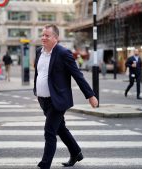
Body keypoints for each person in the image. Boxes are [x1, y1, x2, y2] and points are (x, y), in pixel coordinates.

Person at [33, 24, 98, 169]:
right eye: (42, 35)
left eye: (47, 35)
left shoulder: (63, 53)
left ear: (56, 38)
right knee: (60, 128)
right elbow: (39, 73)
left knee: (49, 131)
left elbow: (77, 75)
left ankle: (44, 165)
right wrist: (37, 90)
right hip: (43, 100)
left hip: (58, 100)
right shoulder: (39, 52)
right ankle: (76, 152)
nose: (43, 38)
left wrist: (90, 95)